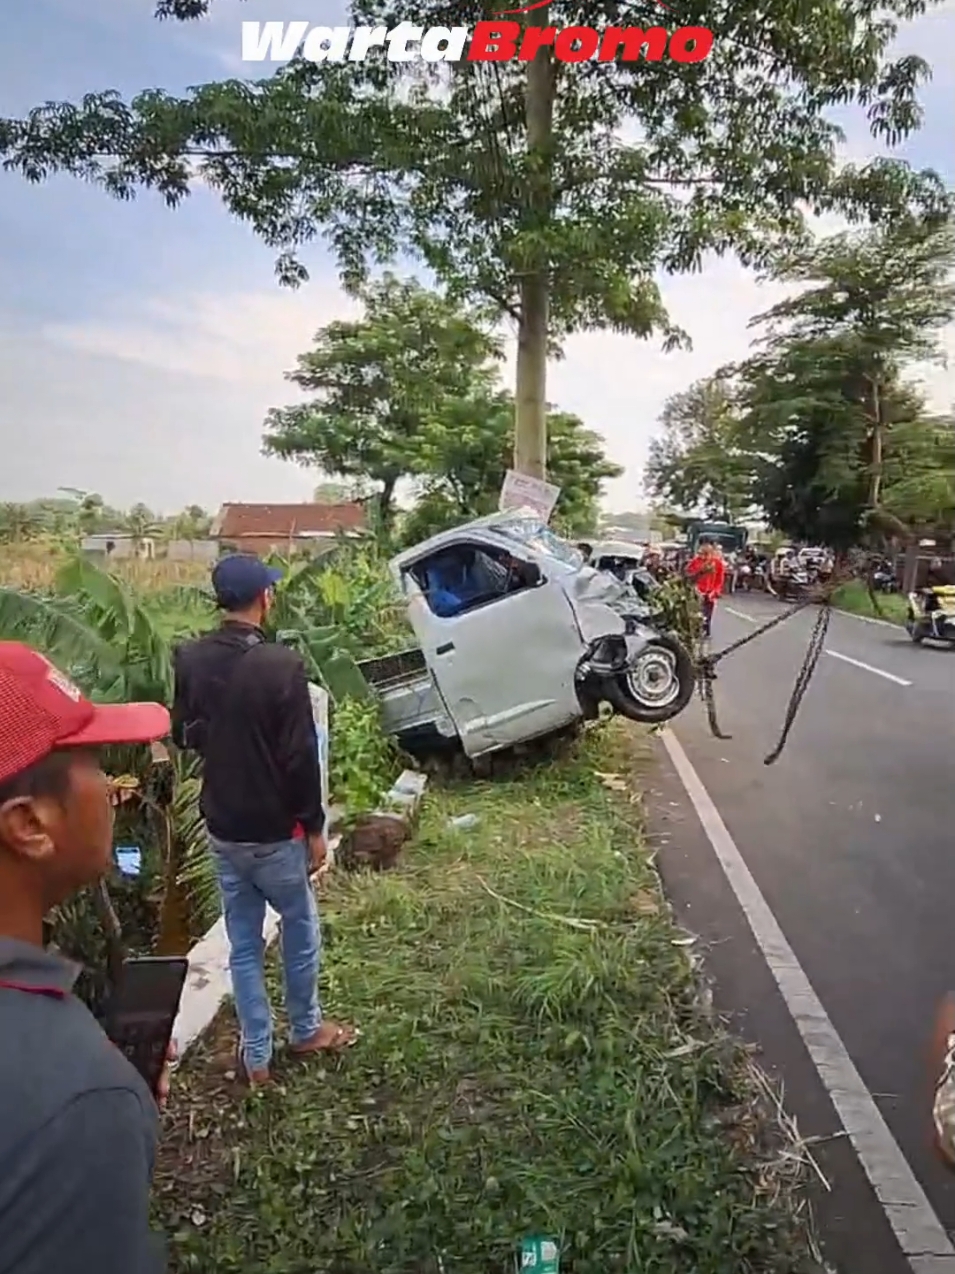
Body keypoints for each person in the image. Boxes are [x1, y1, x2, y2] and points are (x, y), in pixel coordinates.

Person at [0, 642, 172, 1274]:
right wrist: (98, 1107)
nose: (110, 785)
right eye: (94, 761)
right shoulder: (76, 1101)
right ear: (30, 826)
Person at [172, 554, 356, 1085]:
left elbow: (185, 735)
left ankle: (256, 1055)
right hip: (274, 830)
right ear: (264, 599)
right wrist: (316, 829)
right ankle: (305, 1030)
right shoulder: (282, 666)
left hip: (223, 825)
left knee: (244, 941)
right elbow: (300, 758)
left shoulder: (189, 658)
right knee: (299, 926)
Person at [686, 537, 726, 639]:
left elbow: (719, 581)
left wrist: (714, 592)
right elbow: (688, 576)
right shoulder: (695, 562)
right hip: (695, 594)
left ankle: (705, 633)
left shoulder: (717, 564)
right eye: (703, 546)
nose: (703, 556)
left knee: (706, 618)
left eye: (708, 546)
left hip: (709, 595)